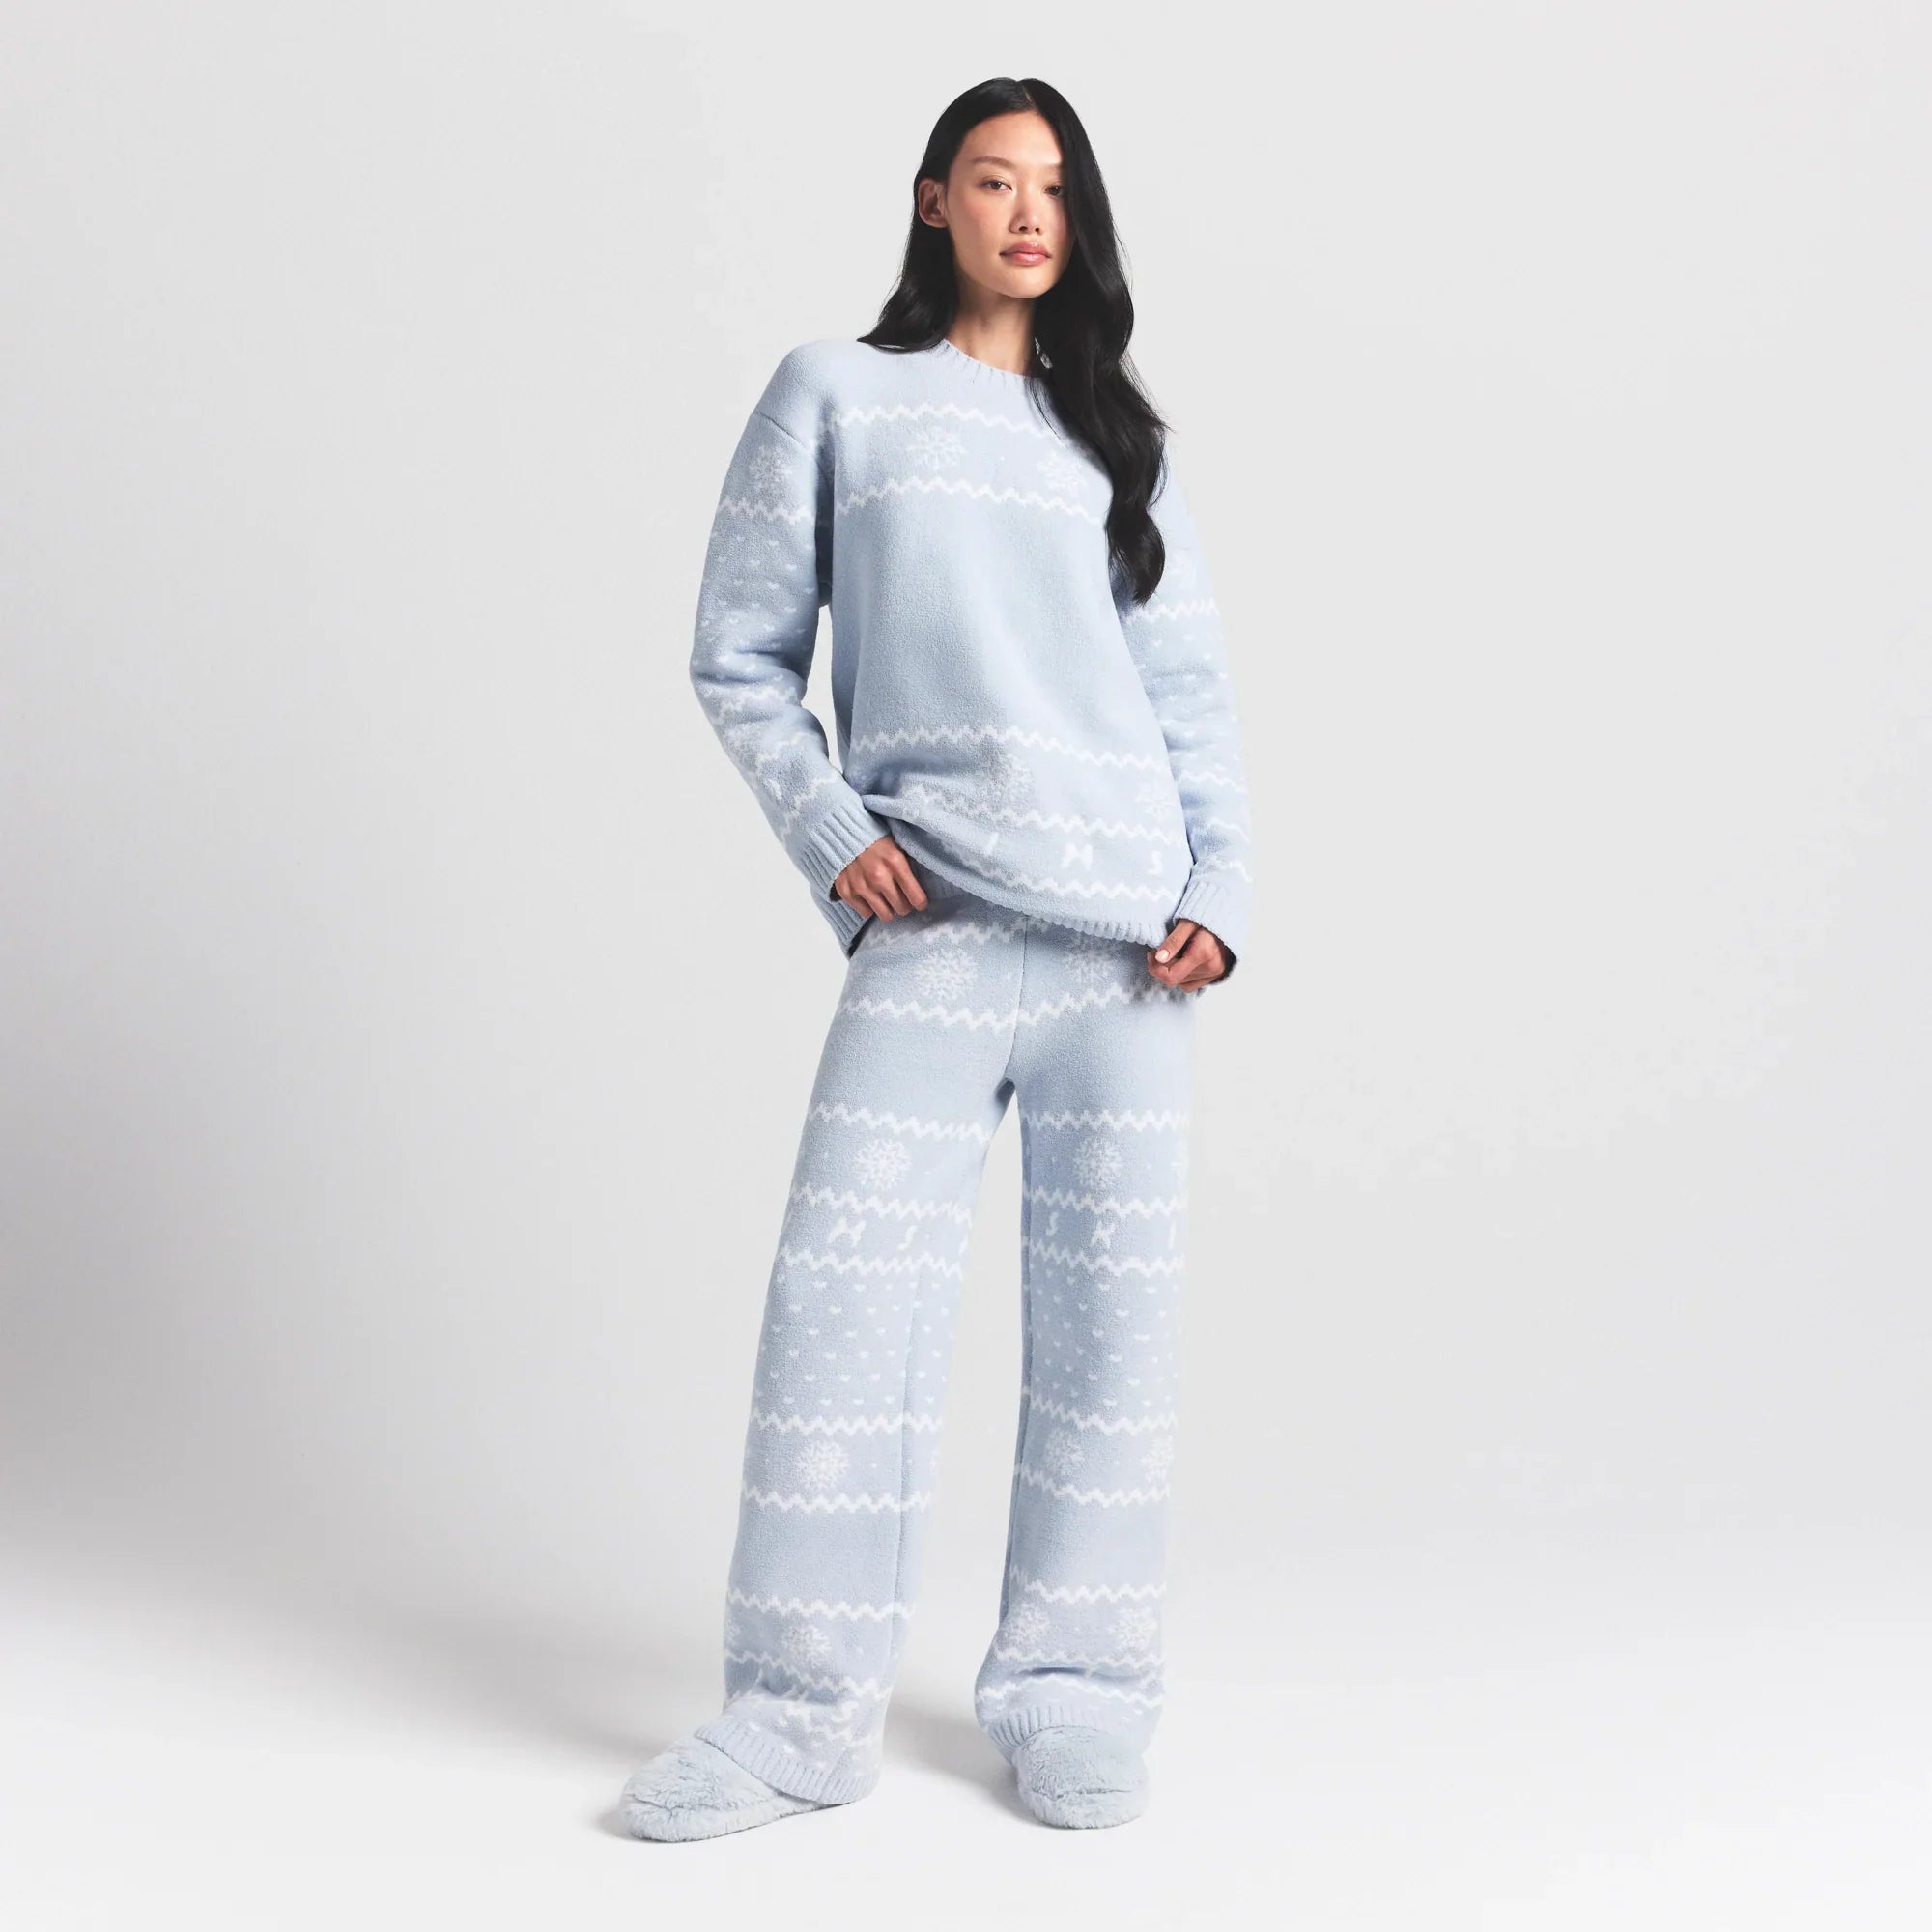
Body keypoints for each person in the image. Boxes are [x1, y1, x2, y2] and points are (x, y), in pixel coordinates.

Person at [621, 75, 1254, 1839]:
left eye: (1054, 187)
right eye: (993, 180)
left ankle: (1078, 1694)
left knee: (1112, 1345)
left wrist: (1223, 889)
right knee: (840, 1313)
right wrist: (834, 832)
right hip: (939, 933)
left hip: (1129, 959)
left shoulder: (1116, 443)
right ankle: (793, 1718)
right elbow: (738, 655)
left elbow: (1190, 698)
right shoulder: (838, 394)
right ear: (933, 201)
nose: (1028, 213)